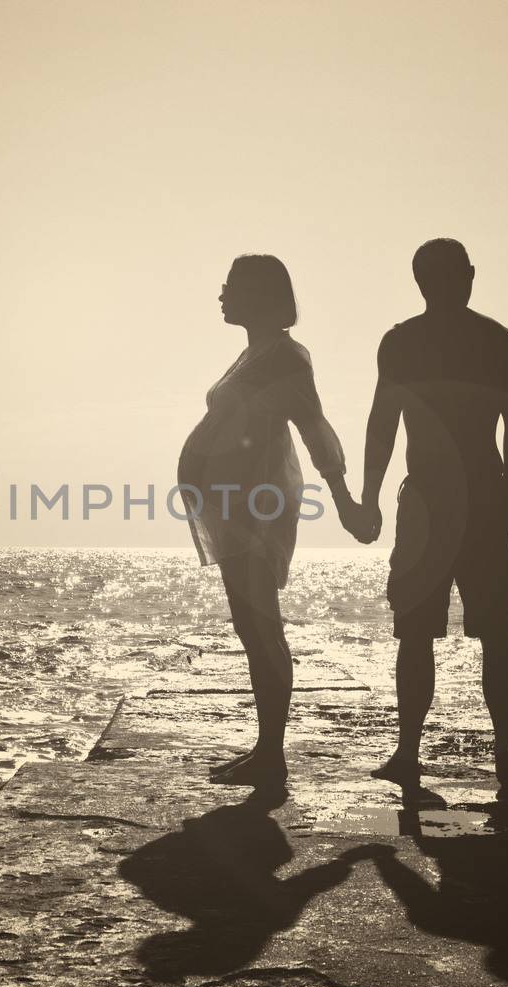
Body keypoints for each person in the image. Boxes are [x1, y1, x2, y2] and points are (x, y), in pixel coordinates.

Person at [349, 238, 508, 784]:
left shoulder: (413, 342)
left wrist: (370, 495)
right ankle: (485, 753)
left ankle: (427, 753)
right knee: (470, 630)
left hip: (440, 499)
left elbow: (383, 423)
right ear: (468, 275)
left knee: (436, 631)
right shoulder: (488, 340)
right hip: (456, 498)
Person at [177, 254, 359, 786]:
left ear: (259, 294)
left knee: (261, 623)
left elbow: (314, 427)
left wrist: (343, 498)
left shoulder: (283, 356)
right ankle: (265, 748)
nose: (221, 294)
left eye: (231, 286)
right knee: (250, 624)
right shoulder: (254, 352)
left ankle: (272, 755)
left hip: (257, 506)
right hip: (234, 505)